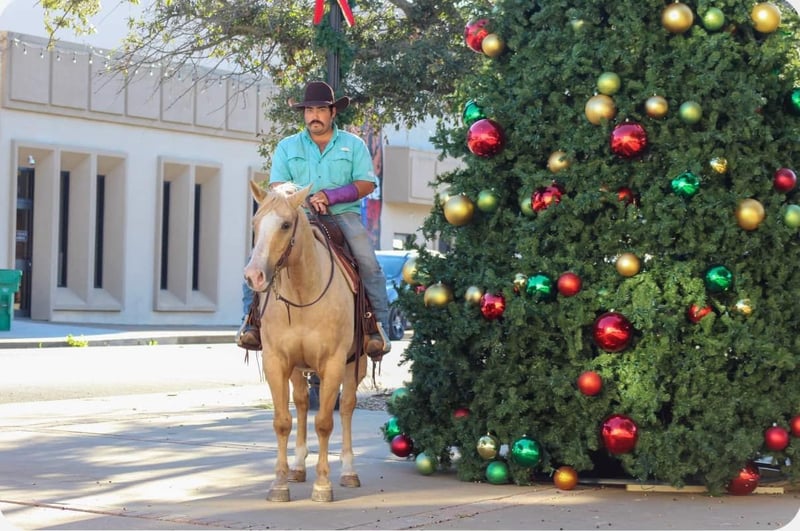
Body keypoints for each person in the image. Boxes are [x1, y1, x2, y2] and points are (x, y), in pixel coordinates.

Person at [236, 81, 392, 357]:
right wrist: (303, 199)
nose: (314, 116)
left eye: (320, 110)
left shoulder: (353, 145)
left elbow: (367, 184)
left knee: (367, 261)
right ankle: (251, 324)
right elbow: (277, 186)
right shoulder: (287, 146)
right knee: (259, 257)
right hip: (298, 215)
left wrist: (332, 196)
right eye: (309, 110)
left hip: (343, 214)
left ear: (333, 112)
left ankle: (377, 328)